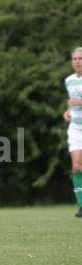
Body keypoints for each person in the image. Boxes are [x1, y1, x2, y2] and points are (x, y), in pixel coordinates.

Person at [63, 47, 82, 218]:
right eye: (75, 58)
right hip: (76, 127)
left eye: (80, 58)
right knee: (76, 166)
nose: (77, 61)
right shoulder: (69, 80)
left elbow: (77, 101)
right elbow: (71, 102)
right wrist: (68, 111)